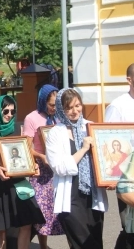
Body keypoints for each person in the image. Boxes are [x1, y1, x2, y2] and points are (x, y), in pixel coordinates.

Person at [0, 95, 44, 249]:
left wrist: (33, 166)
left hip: (17, 181)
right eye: (6, 111)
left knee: (26, 221)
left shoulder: (17, 127)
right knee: (1, 228)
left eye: (13, 111)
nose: (9, 115)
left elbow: (25, 151)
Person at [46, 88, 108, 248]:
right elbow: (59, 167)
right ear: (61, 109)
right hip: (71, 196)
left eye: (78, 106)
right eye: (69, 108)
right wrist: (83, 149)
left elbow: (105, 159)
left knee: (95, 242)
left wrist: (110, 176)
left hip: (92, 195)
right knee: (83, 244)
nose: (75, 111)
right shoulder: (55, 133)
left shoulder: (91, 127)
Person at [22, 84, 64, 248]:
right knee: (41, 209)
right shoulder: (32, 118)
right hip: (40, 169)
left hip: (57, 168)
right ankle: (42, 244)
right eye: (52, 105)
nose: (54, 108)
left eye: (57, 105)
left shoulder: (60, 117)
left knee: (59, 208)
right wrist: (41, 156)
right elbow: (26, 146)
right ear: (42, 101)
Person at [105, 63, 134, 248]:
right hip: (127, 175)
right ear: (129, 80)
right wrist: (110, 175)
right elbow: (107, 141)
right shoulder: (118, 106)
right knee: (129, 227)